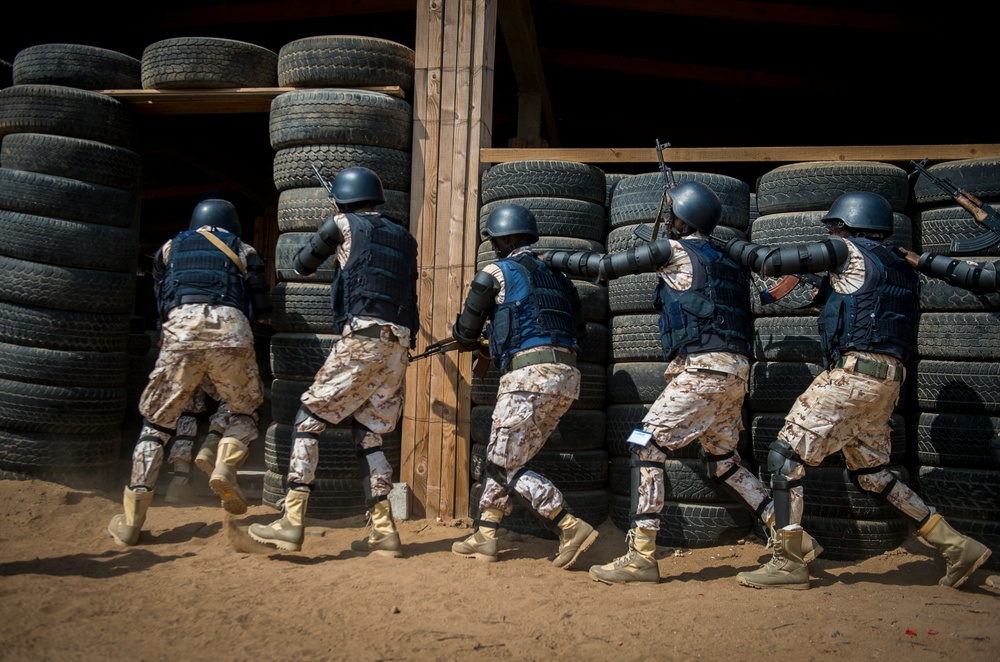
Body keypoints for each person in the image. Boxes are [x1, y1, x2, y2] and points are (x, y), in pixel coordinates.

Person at [544, 180, 813, 584]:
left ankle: (640, 556)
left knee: (644, 444)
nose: (665, 222)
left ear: (680, 220)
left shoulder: (672, 250)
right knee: (723, 463)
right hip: (735, 371)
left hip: (703, 370)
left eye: (670, 216)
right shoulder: (726, 259)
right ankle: (795, 539)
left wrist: (551, 256)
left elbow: (602, 268)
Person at [725, 190, 992, 589]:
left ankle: (788, 561)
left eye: (834, 227)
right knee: (872, 473)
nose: (831, 232)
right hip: (885, 382)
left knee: (784, 458)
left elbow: (770, 263)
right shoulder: (898, 263)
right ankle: (956, 545)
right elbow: (865, 309)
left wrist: (726, 244)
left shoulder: (844, 251)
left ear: (845, 226)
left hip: (852, 378)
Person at [248, 167, 418, 556]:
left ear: (341, 197)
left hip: (362, 338)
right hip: (398, 344)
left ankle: (291, 521)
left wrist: (332, 225)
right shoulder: (404, 237)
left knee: (308, 419)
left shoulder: (343, 223)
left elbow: (302, 264)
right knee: (369, 432)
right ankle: (384, 531)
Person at [107, 198, 272, 546]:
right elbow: (260, 304)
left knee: (156, 423)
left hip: (181, 331)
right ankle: (225, 465)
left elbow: (161, 295)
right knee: (243, 411)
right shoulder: (243, 248)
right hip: (231, 330)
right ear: (232, 223)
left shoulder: (169, 247)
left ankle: (132, 520)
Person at [449, 203, 598, 569]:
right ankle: (486, 535)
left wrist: (476, 338)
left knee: (502, 464)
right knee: (508, 455)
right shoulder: (560, 279)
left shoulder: (494, 272)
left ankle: (567, 523)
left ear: (499, 239)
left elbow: (465, 331)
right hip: (566, 377)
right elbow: (578, 331)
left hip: (528, 377)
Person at [162, 381, 237, 505]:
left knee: (189, 411)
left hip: (189, 367)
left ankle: (178, 482)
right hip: (221, 367)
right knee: (233, 401)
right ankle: (210, 450)